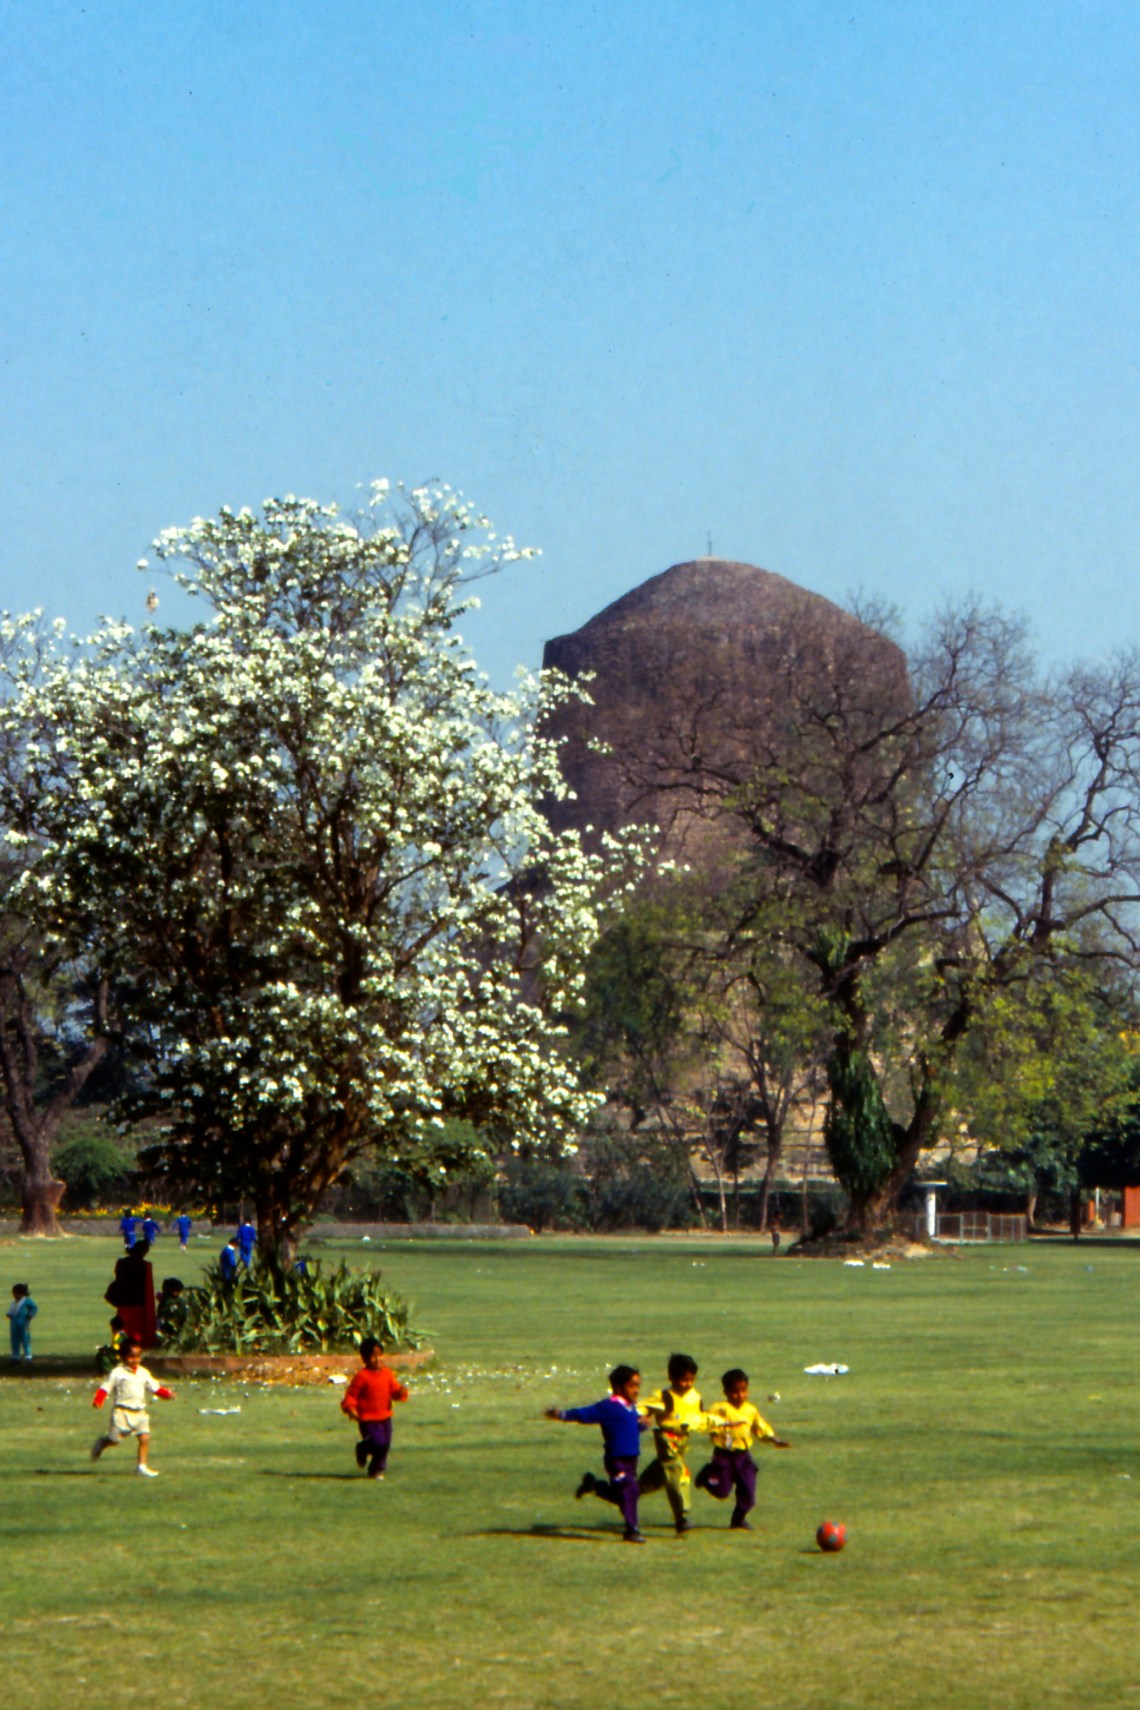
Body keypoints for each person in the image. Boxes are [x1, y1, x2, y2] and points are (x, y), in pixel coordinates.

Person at [545, 1364, 651, 1543]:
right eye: (632, 1385)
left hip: (632, 1459)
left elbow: (627, 1429)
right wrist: (562, 1414)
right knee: (630, 1490)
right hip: (616, 1460)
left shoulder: (631, 1408)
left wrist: (641, 1426)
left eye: (638, 1385)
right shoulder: (608, 1406)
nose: (636, 1390)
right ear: (618, 1387)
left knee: (624, 1495)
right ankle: (631, 1530)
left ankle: (595, 1486)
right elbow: (584, 1414)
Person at [694, 1367, 790, 1530]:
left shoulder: (750, 1410)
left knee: (748, 1493)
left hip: (743, 1457)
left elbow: (760, 1427)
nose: (740, 1396)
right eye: (735, 1392)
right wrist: (700, 1414)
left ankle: (738, 1521)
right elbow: (704, 1421)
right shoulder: (719, 1408)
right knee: (722, 1491)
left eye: (744, 1391)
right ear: (726, 1391)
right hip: (723, 1456)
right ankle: (706, 1476)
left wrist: (774, 1439)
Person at [638, 1352, 707, 1535]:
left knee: (652, 1481)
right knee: (678, 1475)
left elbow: (701, 1416)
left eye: (691, 1380)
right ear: (671, 1378)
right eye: (683, 1380)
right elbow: (644, 1407)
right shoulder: (665, 1396)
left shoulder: (695, 1396)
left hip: (683, 1441)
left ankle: (614, 1492)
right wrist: (643, 1415)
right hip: (666, 1440)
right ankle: (681, 1518)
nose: (688, 1384)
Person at [91, 1337, 175, 1476]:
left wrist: (167, 1394)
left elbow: (155, 1387)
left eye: (137, 1357)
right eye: (131, 1357)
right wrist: (99, 1400)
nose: (135, 1360)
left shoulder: (143, 1373)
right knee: (115, 1440)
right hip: (122, 1412)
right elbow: (105, 1388)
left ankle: (141, 1467)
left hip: (140, 1412)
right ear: (123, 1357)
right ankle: (102, 1443)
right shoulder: (118, 1373)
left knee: (145, 1438)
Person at [340, 1337, 409, 1479]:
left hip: (385, 1417)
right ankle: (363, 1448)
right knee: (379, 1443)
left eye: (380, 1355)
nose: (377, 1359)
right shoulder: (362, 1377)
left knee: (385, 1445)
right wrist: (351, 1409)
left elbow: (394, 1390)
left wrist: (400, 1392)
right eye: (373, 1356)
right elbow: (351, 1396)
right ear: (364, 1359)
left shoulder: (387, 1374)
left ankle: (376, 1470)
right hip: (368, 1419)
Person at [104, 1239, 157, 1348]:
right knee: (137, 1331)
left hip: (123, 1302)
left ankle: (119, 1347)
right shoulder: (145, 1265)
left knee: (123, 1328)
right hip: (138, 1303)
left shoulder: (121, 1263)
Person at [7, 1283, 37, 1362]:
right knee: (14, 1339)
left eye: (16, 1293)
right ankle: (15, 1355)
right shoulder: (13, 1302)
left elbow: (34, 1308)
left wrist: (30, 1315)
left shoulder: (27, 1301)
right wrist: (9, 1314)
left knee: (25, 1339)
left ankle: (28, 1355)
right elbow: (11, 1310)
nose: (14, 1295)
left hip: (24, 1323)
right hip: (14, 1323)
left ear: (21, 1293)